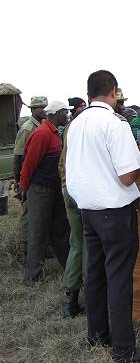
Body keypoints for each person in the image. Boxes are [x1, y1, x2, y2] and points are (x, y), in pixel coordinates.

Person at [66, 70, 140, 363]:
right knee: (118, 280)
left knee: (96, 275)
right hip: (115, 212)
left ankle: (97, 335)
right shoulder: (114, 124)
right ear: (114, 91)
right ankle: (124, 351)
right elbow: (127, 176)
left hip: (87, 210)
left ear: (89, 92)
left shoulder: (76, 123)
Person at [19, 101, 72, 283]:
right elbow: (29, 163)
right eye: (65, 112)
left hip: (52, 188)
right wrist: (23, 187)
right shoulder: (42, 134)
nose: (67, 115)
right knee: (38, 231)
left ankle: (70, 269)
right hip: (40, 189)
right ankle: (33, 277)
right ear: (56, 113)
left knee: (60, 229)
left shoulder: (54, 132)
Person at [58, 97, 87, 318]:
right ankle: (89, 296)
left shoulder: (70, 128)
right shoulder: (88, 126)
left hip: (69, 187)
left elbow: (63, 162)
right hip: (84, 191)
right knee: (89, 244)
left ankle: (71, 299)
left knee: (77, 243)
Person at [13, 96, 48, 256]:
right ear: (32, 110)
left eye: (43, 106)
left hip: (37, 177)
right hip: (28, 178)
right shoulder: (28, 129)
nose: (42, 109)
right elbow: (18, 157)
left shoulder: (41, 126)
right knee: (28, 214)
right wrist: (19, 182)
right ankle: (25, 249)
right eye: (38, 107)